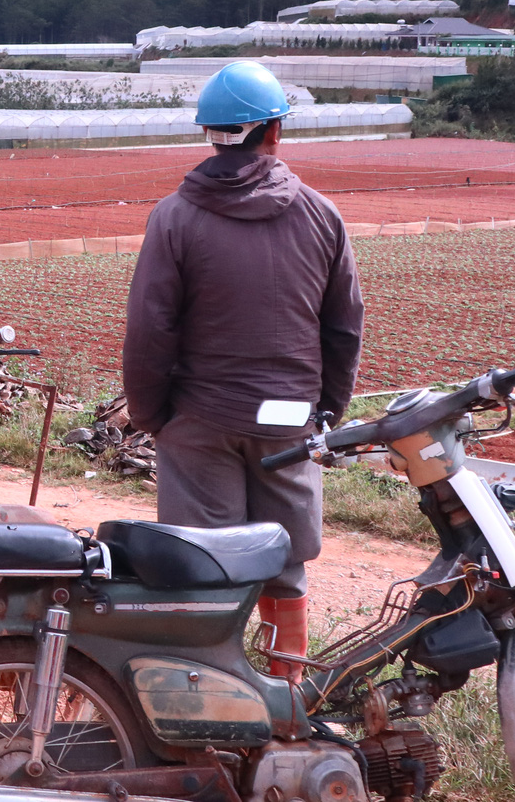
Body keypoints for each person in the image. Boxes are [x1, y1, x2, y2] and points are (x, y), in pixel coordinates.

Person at [123, 60, 363, 682]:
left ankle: (211, 705)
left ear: (211, 134)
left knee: (203, 563)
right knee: (284, 563)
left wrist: (152, 415)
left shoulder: (175, 217)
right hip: (289, 420)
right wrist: (326, 412)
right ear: (274, 131)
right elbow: (343, 329)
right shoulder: (321, 215)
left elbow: (151, 329)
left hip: (199, 421)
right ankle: (285, 704)